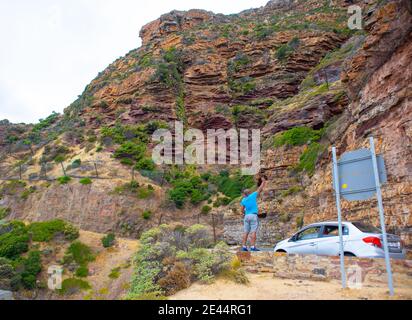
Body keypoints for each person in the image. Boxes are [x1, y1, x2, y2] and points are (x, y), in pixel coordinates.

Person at [240, 178, 267, 252]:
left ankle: (244, 247)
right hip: (253, 216)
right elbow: (260, 188)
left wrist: (244, 213)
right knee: (253, 232)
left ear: (244, 194)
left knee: (246, 232)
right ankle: (252, 247)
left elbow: (241, 210)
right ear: (249, 193)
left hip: (246, 216)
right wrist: (263, 181)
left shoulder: (243, 200)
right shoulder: (253, 195)